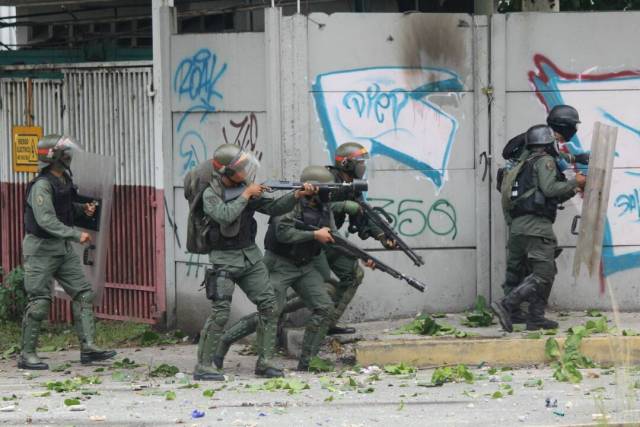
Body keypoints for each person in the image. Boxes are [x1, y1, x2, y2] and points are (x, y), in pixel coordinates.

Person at [194, 144, 315, 381]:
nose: (244, 172)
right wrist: (246, 195)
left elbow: (272, 207)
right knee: (220, 313)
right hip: (225, 261)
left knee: (270, 306)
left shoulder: (243, 188)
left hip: (251, 257)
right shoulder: (210, 193)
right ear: (226, 172)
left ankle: (265, 361)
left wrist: (296, 196)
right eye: (239, 168)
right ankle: (204, 365)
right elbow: (223, 215)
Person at [214, 165, 343, 371]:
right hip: (280, 264)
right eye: (325, 188)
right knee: (271, 312)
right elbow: (284, 234)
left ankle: (308, 360)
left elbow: (333, 234)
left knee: (324, 308)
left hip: (305, 265)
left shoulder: (324, 206)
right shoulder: (290, 204)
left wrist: (353, 252)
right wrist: (313, 235)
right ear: (311, 187)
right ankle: (225, 341)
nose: (328, 192)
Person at [19, 134, 116, 370]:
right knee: (40, 302)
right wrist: (75, 235)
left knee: (83, 294)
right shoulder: (42, 185)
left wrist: (83, 209)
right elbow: (45, 220)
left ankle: (89, 348)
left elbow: (63, 207)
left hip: (61, 250)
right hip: (41, 251)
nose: (71, 157)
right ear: (55, 157)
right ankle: (27, 354)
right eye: (67, 154)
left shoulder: (62, 181)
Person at [491, 125, 586, 332]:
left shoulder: (523, 164)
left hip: (518, 227)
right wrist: (574, 182)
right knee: (545, 272)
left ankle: (533, 318)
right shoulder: (545, 161)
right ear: (547, 143)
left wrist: (572, 189)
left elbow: (543, 194)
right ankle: (507, 305)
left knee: (516, 272)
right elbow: (550, 189)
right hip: (536, 227)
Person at [293, 142, 395, 335]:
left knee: (353, 274)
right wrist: (345, 205)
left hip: (331, 239)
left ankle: (327, 324)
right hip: (312, 239)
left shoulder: (353, 185)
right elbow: (312, 204)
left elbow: (363, 212)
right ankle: (275, 309)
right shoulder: (325, 178)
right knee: (325, 287)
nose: (363, 167)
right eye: (360, 162)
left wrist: (382, 235)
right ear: (347, 164)